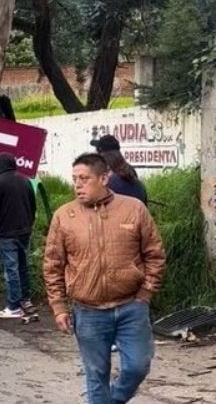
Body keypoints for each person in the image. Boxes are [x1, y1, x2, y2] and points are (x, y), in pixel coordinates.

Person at [43, 153, 165, 404]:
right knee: (96, 375)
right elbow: (53, 265)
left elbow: (155, 254)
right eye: (74, 179)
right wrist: (58, 307)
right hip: (88, 312)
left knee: (137, 366)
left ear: (104, 178)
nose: (77, 185)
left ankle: (114, 400)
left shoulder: (133, 209)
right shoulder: (64, 216)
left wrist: (145, 294)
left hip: (132, 306)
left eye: (84, 179)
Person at [0, 153, 37, 319]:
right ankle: (26, 300)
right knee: (23, 266)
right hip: (24, 230)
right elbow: (33, 205)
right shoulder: (25, 180)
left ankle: (13, 306)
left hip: (6, 232)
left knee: (10, 269)